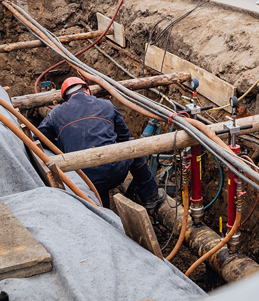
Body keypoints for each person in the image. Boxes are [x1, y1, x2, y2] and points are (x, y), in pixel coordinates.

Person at [37, 77, 166, 214]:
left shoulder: (55, 114)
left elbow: (37, 140)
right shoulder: (107, 105)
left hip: (79, 179)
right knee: (132, 147)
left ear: (65, 98)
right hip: (113, 173)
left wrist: (64, 143)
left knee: (96, 188)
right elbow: (123, 136)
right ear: (87, 90)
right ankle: (150, 196)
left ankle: (104, 214)